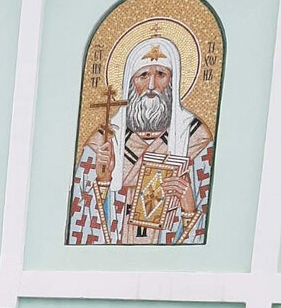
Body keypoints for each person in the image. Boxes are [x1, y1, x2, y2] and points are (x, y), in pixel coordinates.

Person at [68, 36, 213, 245]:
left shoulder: (196, 138)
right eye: (143, 75)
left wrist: (189, 206)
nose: (152, 85)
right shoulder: (105, 139)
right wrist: (103, 182)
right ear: (130, 81)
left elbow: (208, 214)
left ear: (173, 81)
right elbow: (81, 219)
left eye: (161, 75)